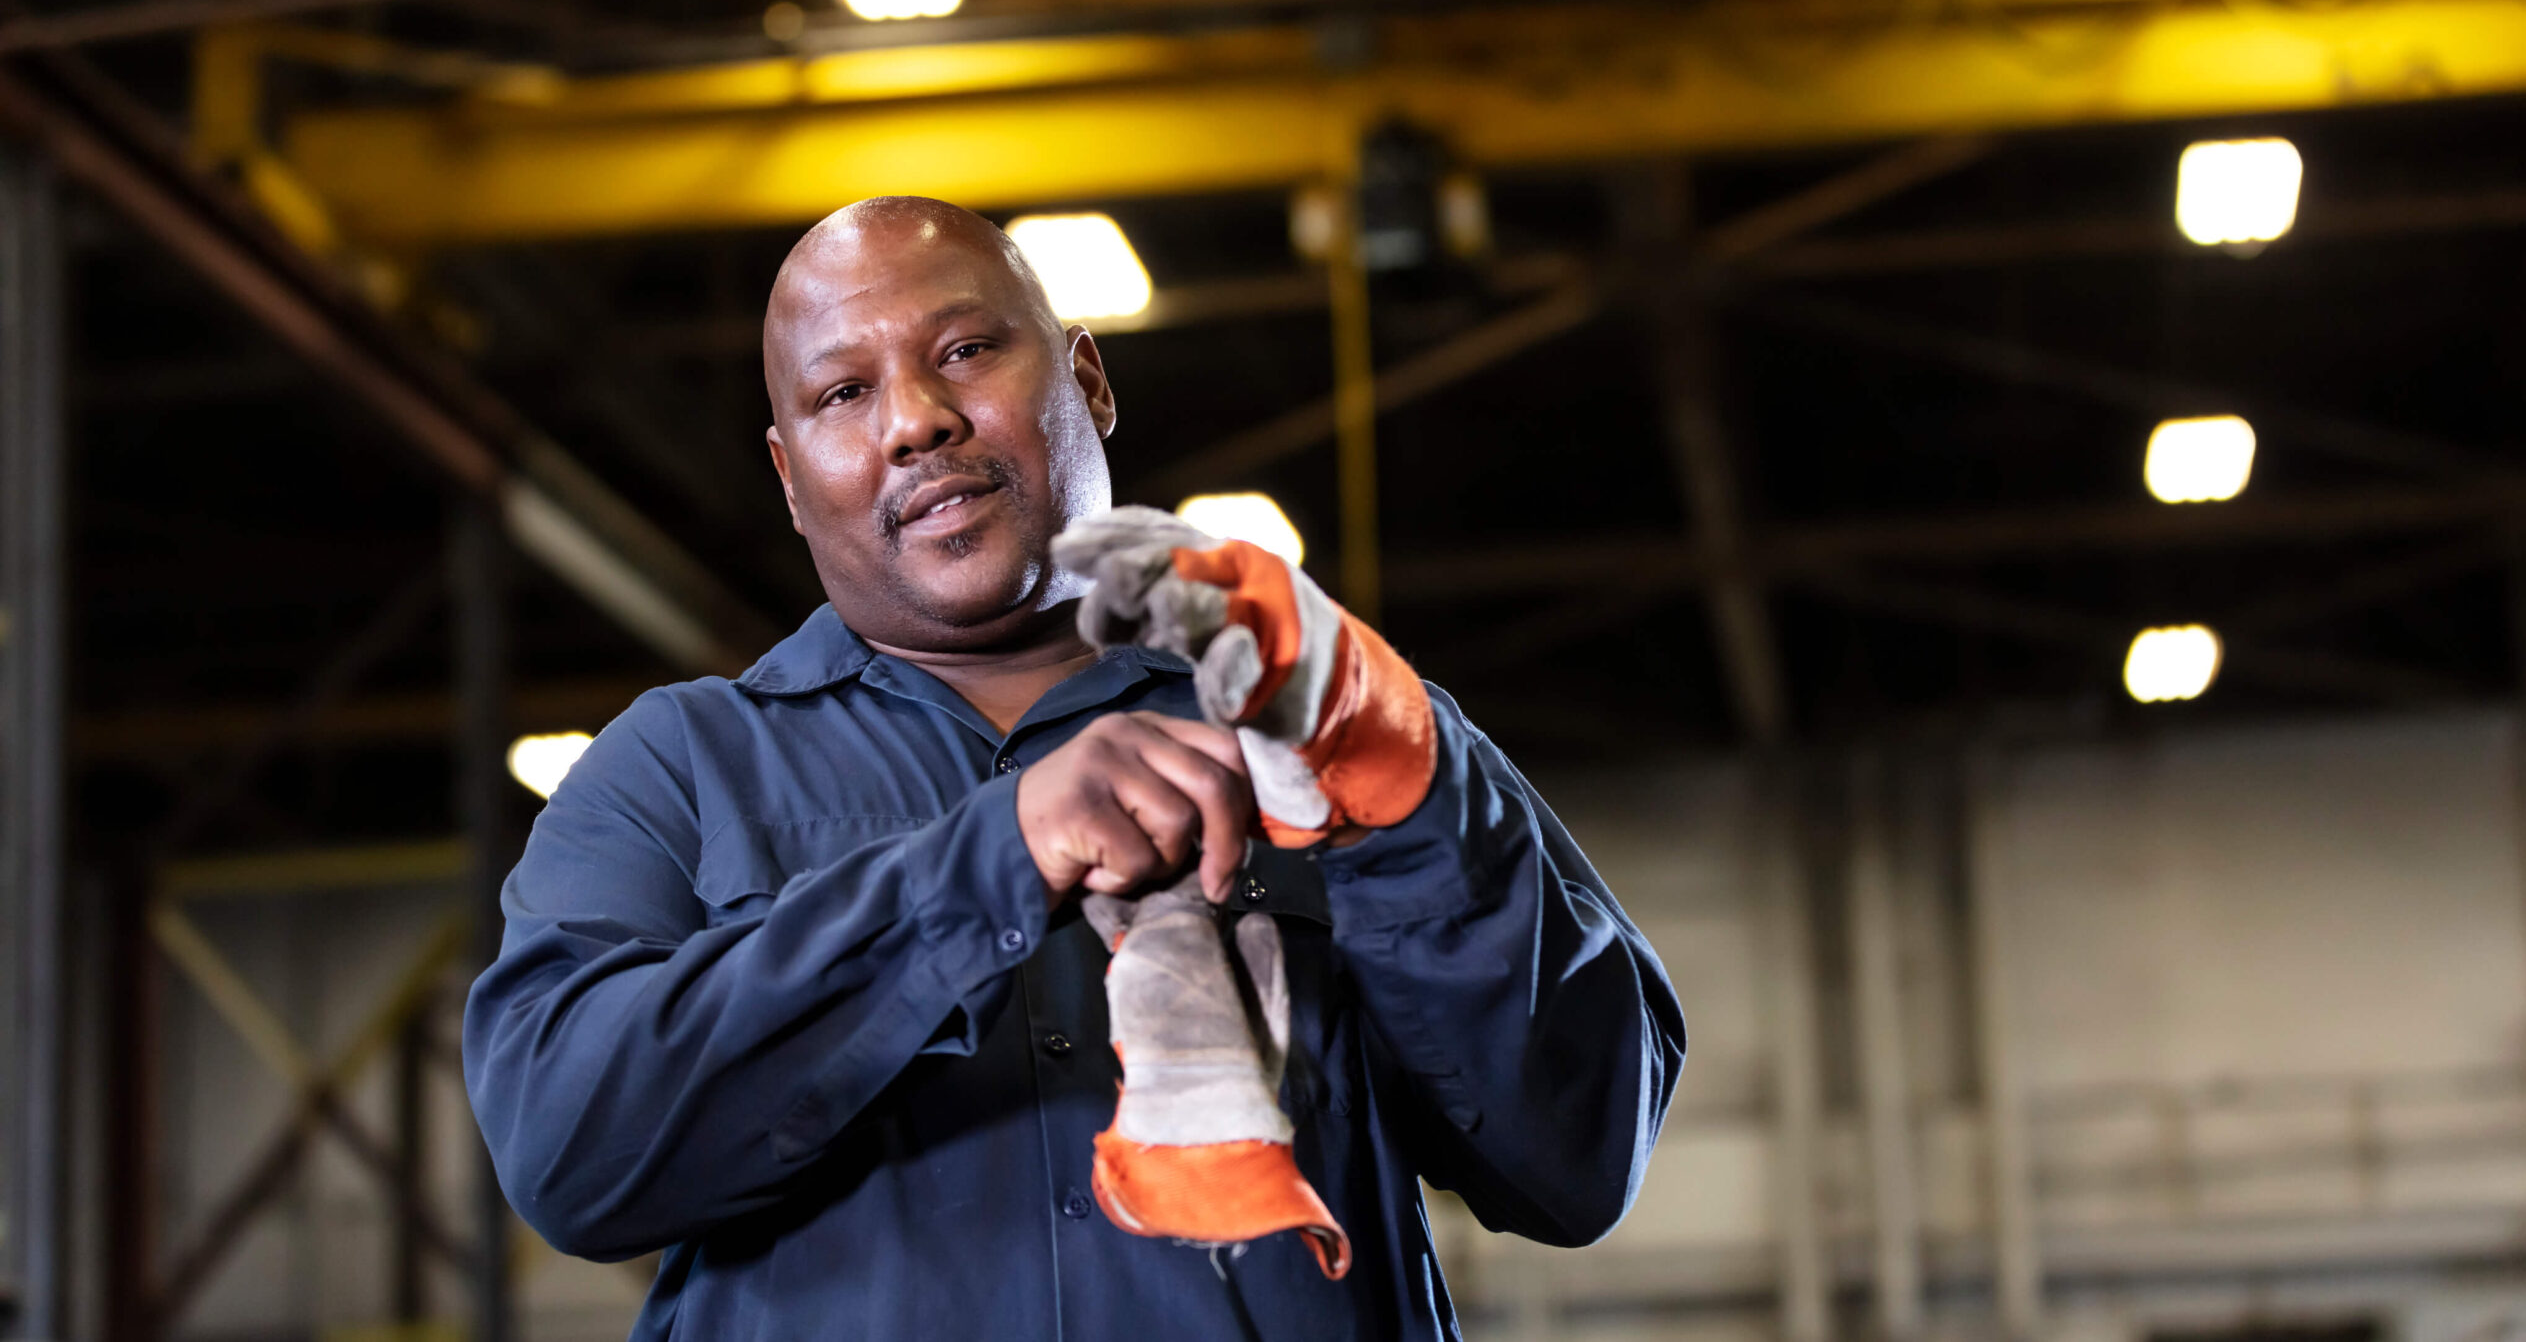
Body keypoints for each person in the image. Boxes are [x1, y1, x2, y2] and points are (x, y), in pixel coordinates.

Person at [463, 195, 1685, 1339]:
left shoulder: (1326, 717)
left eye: (962, 353)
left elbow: (1576, 1157)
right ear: (791, 477)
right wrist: (987, 862)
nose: (913, 422)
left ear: (1087, 380)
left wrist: (1414, 811)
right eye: (843, 393)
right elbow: (574, 1157)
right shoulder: (677, 770)